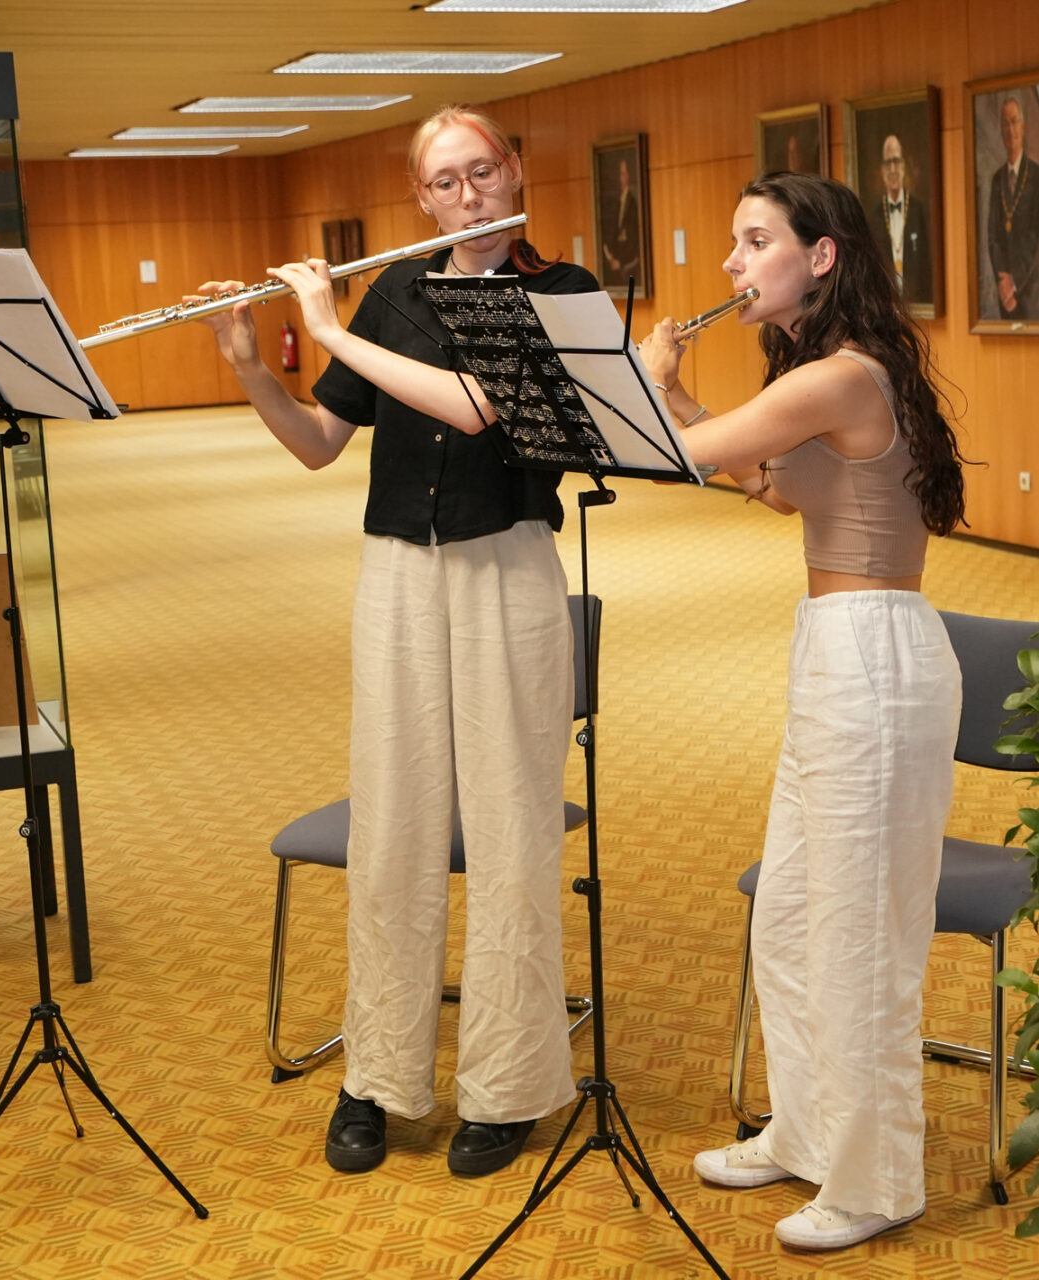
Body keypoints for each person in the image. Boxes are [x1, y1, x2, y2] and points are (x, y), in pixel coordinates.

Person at [192, 104, 598, 1178]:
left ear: (515, 170)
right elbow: (321, 444)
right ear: (420, 199)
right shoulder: (399, 292)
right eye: (446, 183)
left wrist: (328, 329)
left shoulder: (558, 295)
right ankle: (377, 1072)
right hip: (396, 574)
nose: (468, 197)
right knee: (394, 825)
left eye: (483, 173)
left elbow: (473, 409)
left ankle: (508, 1083)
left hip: (506, 564)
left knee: (512, 828)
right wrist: (249, 363)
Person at [637, 172, 966, 1252]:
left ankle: (877, 1179)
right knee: (788, 914)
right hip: (836, 650)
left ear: (819, 257)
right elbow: (769, 483)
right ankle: (807, 1128)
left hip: (873, 657)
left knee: (860, 937)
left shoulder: (842, 375)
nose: (731, 266)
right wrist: (682, 396)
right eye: (734, 244)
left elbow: (683, 454)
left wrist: (645, 389)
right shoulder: (823, 377)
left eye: (753, 242)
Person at [987, 94, 1039, 319]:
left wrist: (1014, 280)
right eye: (1005, 123)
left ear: (1023, 126)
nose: (1011, 129)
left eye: (1015, 121)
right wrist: (1002, 280)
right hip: (1005, 295)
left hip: (1031, 291)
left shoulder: (1036, 176)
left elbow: (1036, 238)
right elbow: (993, 236)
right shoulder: (997, 179)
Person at [868, 133, 932, 303]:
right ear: (882, 170)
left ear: (904, 166)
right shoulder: (874, 217)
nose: (893, 169)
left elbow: (927, 265)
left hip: (918, 303)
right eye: (888, 163)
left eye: (896, 161)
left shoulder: (919, 211)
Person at [601, 156, 640, 286]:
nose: (620, 179)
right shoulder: (617, 202)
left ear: (629, 176)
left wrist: (621, 261)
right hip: (618, 259)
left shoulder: (633, 203)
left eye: (623, 174)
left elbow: (634, 238)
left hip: (628, 262)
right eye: (619, 174)